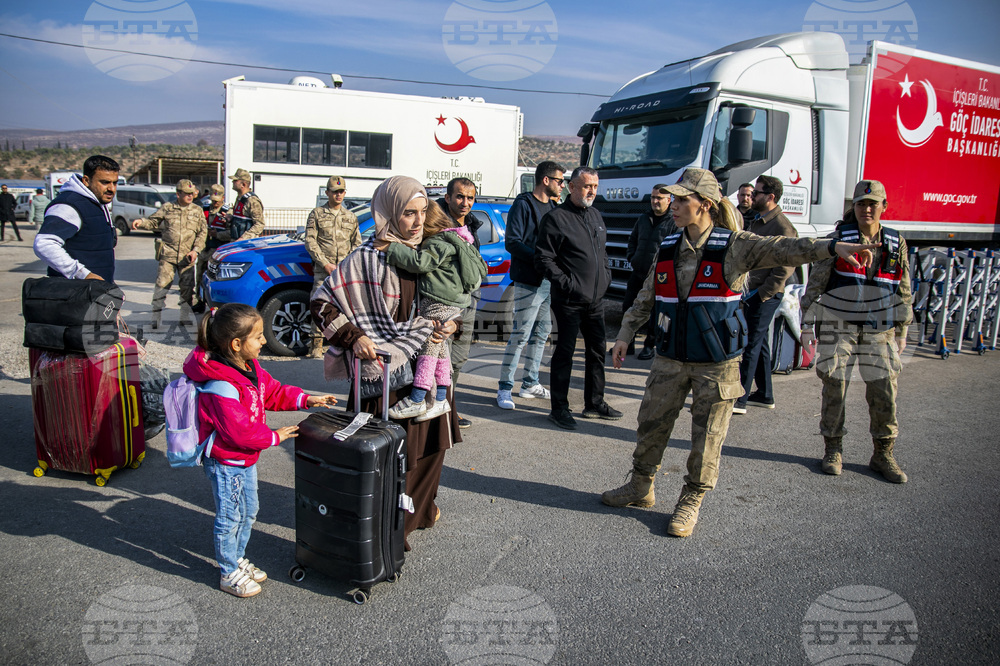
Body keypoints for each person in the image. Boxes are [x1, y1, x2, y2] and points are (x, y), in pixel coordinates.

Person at [601, 168, 879, 538]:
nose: (675, 206)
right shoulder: (669, 245)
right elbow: (647, 295)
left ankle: (692, 498)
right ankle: (641, 486)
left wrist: (830, 247)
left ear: (706, 205)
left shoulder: (735, 245)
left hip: (716, 362)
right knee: (651, 423)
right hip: (671, 357)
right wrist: (624, 333)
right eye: (675, 199)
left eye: (683, 200)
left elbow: (784, 248)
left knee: (708, 434)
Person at [310, 175, 462, 548]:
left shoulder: (429, 252)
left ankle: (419, 510)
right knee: (391, 454)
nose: (417, 221)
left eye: (423, 212)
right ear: (389, 211)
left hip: (426, 370)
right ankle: (386, 528)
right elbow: (320, 303)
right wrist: (355, 337)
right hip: (384, 376)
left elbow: (453, 300)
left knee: (430, 448)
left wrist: (451, 324)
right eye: (409, 213)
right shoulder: (365, 257)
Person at [183, 302, 338, 597]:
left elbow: (273, 392)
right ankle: (228, 571)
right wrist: (274, 436)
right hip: (227, 461)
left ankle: (237, 558)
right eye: (258, 336)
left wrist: (307, 399)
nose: (265, 340)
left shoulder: (249, 367)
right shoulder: (221, 384)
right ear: (237, 344)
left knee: (249, 510)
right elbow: (238, 431)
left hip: (244, 459)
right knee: (230, 516)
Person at [800, 179, 913, 483]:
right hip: (840, 325)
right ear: (854, 207)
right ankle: (833, 448)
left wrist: (903, 328)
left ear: (883, 207)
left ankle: (883, 453)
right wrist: (806, 324)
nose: (866, 209)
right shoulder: (839, 239)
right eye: (861, 204)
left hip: (880, 330)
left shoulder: (895, 242)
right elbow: (817, 283)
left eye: (872, 203)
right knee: (835, 386)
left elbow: (903, 287)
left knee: (884, 391)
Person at [533, 166, 622, 430]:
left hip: (595, 301)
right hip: (568, 301)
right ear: (572, 187)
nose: (592, 191)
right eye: (586, 186)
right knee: (565, 354)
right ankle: (559, 408)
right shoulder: (556, 218)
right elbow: (543, 258)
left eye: (595, 186)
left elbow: (601, 253)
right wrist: (568, 284)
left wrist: (605, 276)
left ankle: (594, 402)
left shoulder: (595, 215)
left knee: (597, 352)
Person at [383, 201, 487, 421]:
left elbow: (420, 263)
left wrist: (391, 247)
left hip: (440, 302)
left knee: (429, 346)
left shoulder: (437, 241)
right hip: (451, 302)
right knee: (440, 351)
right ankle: (440, 399)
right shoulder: (455, 237)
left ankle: (417, 398)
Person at [495, 161, 563, 410]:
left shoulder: (555, 207)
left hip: (547, 282)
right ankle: (504, 388)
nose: (562, 185)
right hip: (529, 281)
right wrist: (540, 259)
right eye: (559, 180)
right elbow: (513, 242)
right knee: (520, 335)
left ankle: (530, 383)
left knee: (542, 333)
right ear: (546, 180)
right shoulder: (523, 205)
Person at [733, 175, 797, 414]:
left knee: (750, 343)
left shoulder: (782, 227)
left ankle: (738, 399)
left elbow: (785, 267)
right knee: (760, 344)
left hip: (765, 295)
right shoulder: (759, 221)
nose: (751, 197)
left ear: (770, 197)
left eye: (757, 193)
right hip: (752, 291)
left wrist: (763, 293)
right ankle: (764, 394)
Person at [132, 179, 207, 328]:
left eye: (191, 194)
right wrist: (142, 222)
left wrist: (196, 250)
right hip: (168, 255)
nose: (190, 196)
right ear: (178, 194)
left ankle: (184, 316)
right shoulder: (168, 208)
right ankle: (156, 316)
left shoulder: (197, 211)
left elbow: (202, 233)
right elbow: (153, 222)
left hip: (187, 256)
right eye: (186, 194)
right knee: (161, 286)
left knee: (187, 289)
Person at [436, 177, 481, 429]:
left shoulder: (473, 226)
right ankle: (438, 409)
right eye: (460, 197)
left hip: (469, 301)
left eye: (470, 198)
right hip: (445, 302)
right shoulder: (437, 224)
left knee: (458, 359)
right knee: (437, 357)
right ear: (448, 198)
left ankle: (449, 407)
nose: (465, 203)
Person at [34, 155, 120, 282]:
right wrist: (81, 273)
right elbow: (44, 244)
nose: (111, 189)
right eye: (104, 182)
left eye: (115, 183)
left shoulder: (96, 202)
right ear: (86, 180)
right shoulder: (69, 205)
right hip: (75, 293)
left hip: (96, 290)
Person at [304, 176, 361, 358]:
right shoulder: (317, 214)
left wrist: (345, 265)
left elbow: (356, 243)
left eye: (341, 191)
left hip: (344, 272)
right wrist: (325, 263)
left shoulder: (351, 217)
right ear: (327, 193)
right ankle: (316, 344)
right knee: (318, 305)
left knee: (345, 307)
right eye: (334, 191)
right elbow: (310, 241)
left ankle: (342, 342)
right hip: (324, 270)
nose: (338, 194)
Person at [624, 184, 675, 361]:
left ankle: (648, 346)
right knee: (629, 306)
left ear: (669, 200)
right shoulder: (643, 218)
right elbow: (632, 240)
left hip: (659, 277)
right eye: (653, 197)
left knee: (656, 313)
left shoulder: (674, 222)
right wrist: (632, 258)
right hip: (638, 272)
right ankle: (627, 344)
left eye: (659, 198)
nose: (654, 201)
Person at [193, 184, 230, 314]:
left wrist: (217, 234)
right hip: (205, 249)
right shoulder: (205, 210)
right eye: (213, 200)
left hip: (217, 251)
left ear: (223, 198)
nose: (215, 203)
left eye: (217, 200)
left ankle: (214, 304)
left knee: (214, 280)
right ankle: (200, 301)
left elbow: (231, 233)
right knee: (199, 277)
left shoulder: (227, 212)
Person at [228, 168, 266, 241]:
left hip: (246, 244)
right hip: (236, 242)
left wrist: (244, 238)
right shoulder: (240, 198)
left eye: (235, 180)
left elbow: (259, 224)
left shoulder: (252, 200)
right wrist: (230, 218)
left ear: (243, 184)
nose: (233, 182)